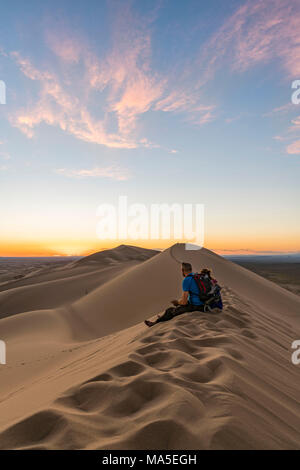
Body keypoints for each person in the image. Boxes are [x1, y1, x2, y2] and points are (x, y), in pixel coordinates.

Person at [144, 262, 205, 327]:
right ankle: (162, 317)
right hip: (203, 303)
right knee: (178, 307)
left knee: (170, 310)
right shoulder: (196, 276)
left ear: (182, 270)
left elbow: (184, 302)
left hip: (196, 306)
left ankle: (155, 323)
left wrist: (177, 302)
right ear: (191, 269)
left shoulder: (187, 280)